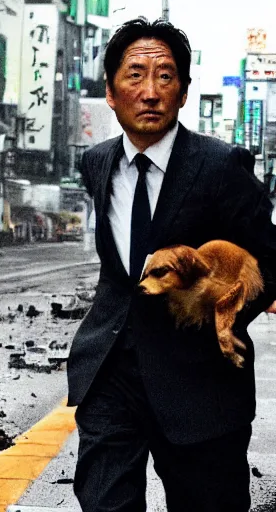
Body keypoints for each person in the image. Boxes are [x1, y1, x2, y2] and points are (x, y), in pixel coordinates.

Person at [68, 18, 276, 512]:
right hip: (111, 375)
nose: (150, 91)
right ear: (111, 93)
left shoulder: (222, 165)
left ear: (183, 93)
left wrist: (218, 311)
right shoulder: (97, 163)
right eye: (135, 75)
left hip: (199, 385)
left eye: (165, 77)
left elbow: (269, 261)